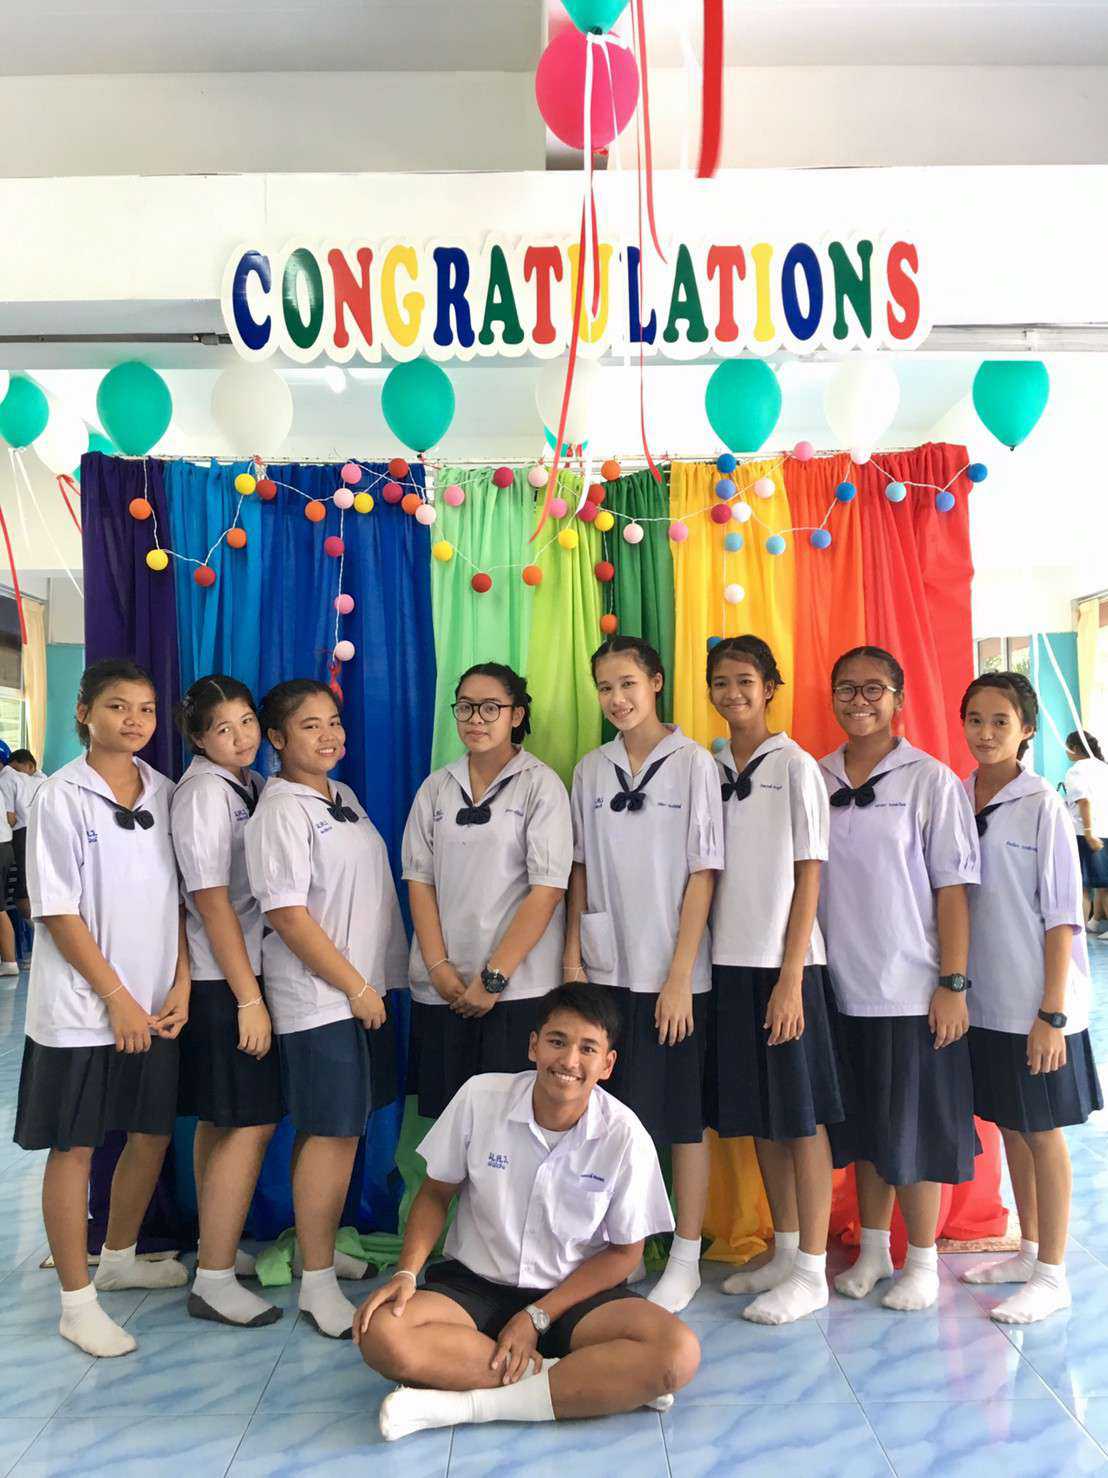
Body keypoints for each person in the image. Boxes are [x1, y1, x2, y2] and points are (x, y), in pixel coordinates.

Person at [354, 983, 700, 1442]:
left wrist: (536, 1316)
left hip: (573, 1297)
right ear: (533, 1045)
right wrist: (406, 1273)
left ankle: (465, 1405)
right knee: (380, 1332)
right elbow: (436, 1194)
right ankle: (581, 1379)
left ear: (608, 1064)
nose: (569, 1060)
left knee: (677, 1353)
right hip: (474, 1286)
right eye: (557, 1041)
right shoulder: (480, 1098)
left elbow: (624, 1253)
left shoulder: (625, 1135)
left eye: (588, 1048)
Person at [13, 658, 190, 1358]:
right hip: (81, 1011)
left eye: (145, 708)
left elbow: (180, 900)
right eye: (118, 706)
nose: (135, 720)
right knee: (75, 1146)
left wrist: (179, 983)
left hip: (154, 1003)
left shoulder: (167, 793)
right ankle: (76, 1302)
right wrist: (115, 998)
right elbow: (57, 911)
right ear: (85, 712)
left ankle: (118, 1258)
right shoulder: (59, 796)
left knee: (151, 1132)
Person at [244, 678, 408, 1339]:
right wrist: (355, 988)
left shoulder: (344, 797)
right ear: (277, 739)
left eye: (333, 721)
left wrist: (372, 985)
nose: (329, 735)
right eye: (310, 725)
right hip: (320, 999)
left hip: (362, 991)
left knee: (342, 1131)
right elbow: (287, 914)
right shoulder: (281, 810)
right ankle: (316, 1283)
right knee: (330, 1133)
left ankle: (322, 1250)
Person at [564, 636, 723, 1314]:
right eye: (605, 687)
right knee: (609, 1117)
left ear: (656, 682)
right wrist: (572, 955)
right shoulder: (591, 770)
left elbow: (704, 871)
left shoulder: (693, 764)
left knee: (683, 1119)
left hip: (673, 972)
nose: (617, 699)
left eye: (628, 683)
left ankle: (684, 1255)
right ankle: (619, 1249)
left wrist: (679, 975)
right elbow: (578, 867)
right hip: (607, 967)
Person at [819, 646, 980, 1311]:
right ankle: (874, 1249)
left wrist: (952, 982)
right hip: (838, 985)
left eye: (873, 689)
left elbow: (953, 888)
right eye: (846, 688)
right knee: (864, 1131)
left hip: (910, 986)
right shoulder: (817, 775)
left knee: (914, 1131)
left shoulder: (929, 779)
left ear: (898, 699)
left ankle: (922, 1259)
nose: (859, 701)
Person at [704, 636, 846, 1325]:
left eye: (745, 681)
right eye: (721, 682)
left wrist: (791, 977)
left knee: (801, 1117)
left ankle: (813, 1271)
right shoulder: (707, 767)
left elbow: (810, 871)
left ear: (769, 688)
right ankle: (784, 1251)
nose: (732, 693)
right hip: (727, 965)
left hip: (788, 967)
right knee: (761, 1114)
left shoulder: (795, 767)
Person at [959, 673, 1102, 1323]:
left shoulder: (1041, 803)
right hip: (985, 1000)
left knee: (1042, 1133)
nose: (986, 733)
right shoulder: (959, 796)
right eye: (976, 719)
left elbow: (1062, 915)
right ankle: (1028, 1250)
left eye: (1000, 721)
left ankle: (1053, 1273)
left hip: (1038, 1004)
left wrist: (1051, 1013)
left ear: (1026, 731)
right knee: (1012, 1126)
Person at [403, 663, 572, 1116]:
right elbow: (419, 880)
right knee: (450, 1123)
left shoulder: (540, 785)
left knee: (511, 1122)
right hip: (445, 989)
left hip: (518, 990)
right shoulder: (436, 787)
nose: (476, 719)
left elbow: (547, 890)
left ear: (516, 715)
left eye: (490, 708)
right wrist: (439, 969)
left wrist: (493, 978)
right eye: (465, 707)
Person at [171, 674, 283, 1328]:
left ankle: (217, 1244)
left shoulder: (251, 784)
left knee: (220, 1119)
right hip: (225, 979)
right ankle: (212, 1280)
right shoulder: (202, 795)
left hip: (246, 969)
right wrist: (248, 998)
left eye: (246, 722)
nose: (240, 737)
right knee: (248, 1122)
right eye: (223, 729)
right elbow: (210, 902)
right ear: (198, 738)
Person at [1062, 729, 1108, 934]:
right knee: (1104, 884)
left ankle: (1077, 936)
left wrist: (1089, 833)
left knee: (1082, 886)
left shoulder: (1076, 771)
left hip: (1085, 834)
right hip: (1105, 830)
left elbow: (1084, 801)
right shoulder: (1103, 767)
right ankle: (1095, 923)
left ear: (1074, 748)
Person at [1, 747, 48, 922]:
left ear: (29, 765)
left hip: (22, 835)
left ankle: (32, 928)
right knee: (37, 882)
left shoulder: (7, 779)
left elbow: (10, 817)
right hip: (44, 831)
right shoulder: (43, 779)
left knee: (24, 886)